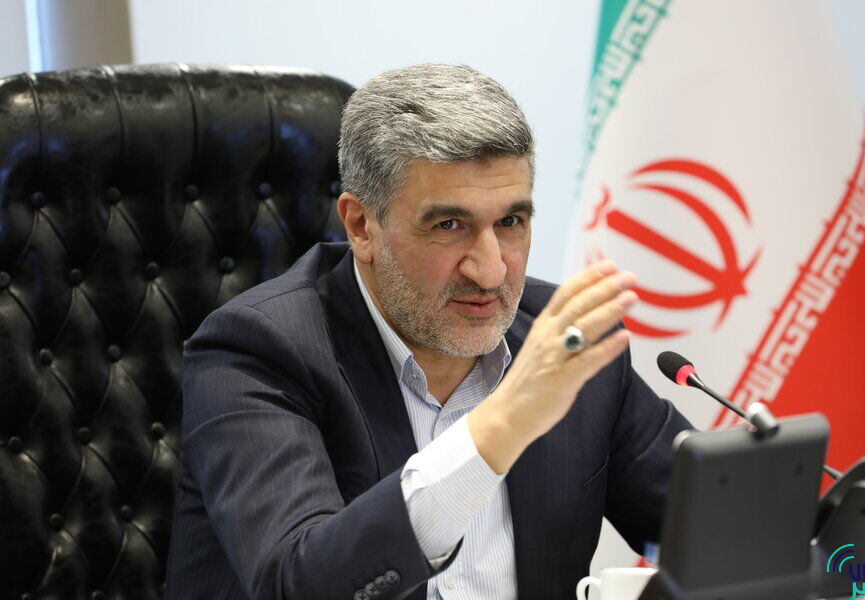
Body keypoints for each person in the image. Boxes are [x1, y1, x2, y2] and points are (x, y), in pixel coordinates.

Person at [165, 63, 693, 600]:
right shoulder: (257, 351)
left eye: (510, 223)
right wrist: (503, 424)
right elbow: (296, 584)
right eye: (449, 226)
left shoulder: (567, 343)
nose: (490, 271)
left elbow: (711, 529)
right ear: (361, 226)